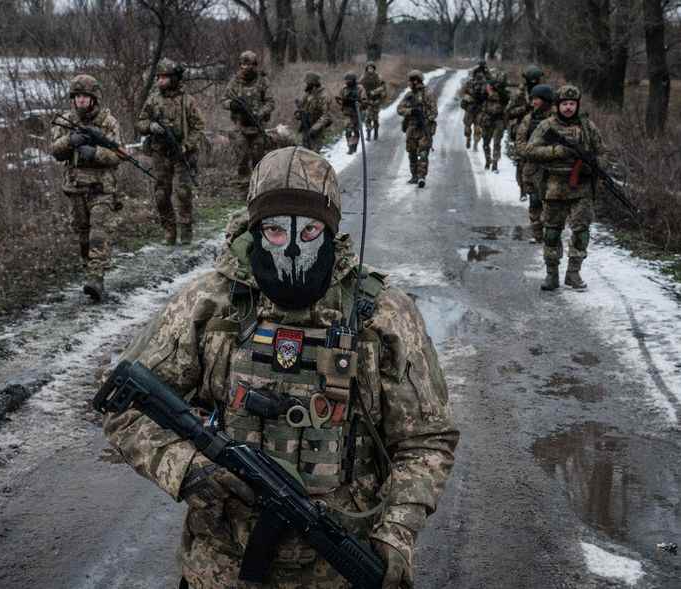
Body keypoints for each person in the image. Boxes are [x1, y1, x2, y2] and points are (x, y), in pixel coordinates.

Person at [104, 146, 458, 589]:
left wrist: (398, 530)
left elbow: (427, 438)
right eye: (273, 231)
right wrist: (190, 468)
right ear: (255, 228)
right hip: (221, 566)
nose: (291, 247)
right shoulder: (208, 304)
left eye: (309, 231)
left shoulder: (382, 315)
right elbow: (126, 409)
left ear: (330, 229)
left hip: (341, 565)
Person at [522, 85, 603, 291]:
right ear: (558, 105)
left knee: (581, 231)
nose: (568, 107)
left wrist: (590, 165)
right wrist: (557, 151)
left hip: (581, 188)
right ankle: (552, 274)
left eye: (572, 104)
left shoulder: (587, 127)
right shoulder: (547, 126)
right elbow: (529, 150)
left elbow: (602, 153)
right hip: (554, 186)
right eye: (564, 104)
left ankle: (573, 274)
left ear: (577, 105)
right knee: (551, 232)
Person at [50, 74, 123, 301]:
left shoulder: (108, 122)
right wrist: (70, 141)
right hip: (76, 187)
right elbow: (55, 150)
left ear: (94, 99)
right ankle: (89, 272)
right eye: (77, 97)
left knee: (98, 234)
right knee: (83, 236)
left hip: (102, 188)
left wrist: (96, 153)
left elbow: (118, 154)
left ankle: (96, 279)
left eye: (85, 97)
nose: (81, 101)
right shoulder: (65, 120)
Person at [137, 58, 205, 245]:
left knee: (183, 193)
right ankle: (169, 231)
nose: (160, 81)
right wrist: (151, 126)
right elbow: (141, 122)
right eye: (158, 77)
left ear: (174, 78)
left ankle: (186, 232)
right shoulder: (153, 99)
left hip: (182, 153)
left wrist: (187, 145)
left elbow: (198, 127)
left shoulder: (187, 101)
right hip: (160, 153)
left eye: (164, 77)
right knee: (161, 194)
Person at [222, 50, 275, 188]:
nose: (246, 68)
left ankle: (259, 185)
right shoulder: (235, 82)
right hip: (240, 126)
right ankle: (243, 185)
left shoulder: (262, 81)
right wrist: (232, 105)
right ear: (240, 65)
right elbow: (224, 101)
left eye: (250, 65)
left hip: (257, 126)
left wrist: (260, 113)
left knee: (258, 156)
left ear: (255, 65)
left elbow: (270, 102)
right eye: (244, 65)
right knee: (242, 156)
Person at [514, 84, 555, 244]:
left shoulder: (556, 119)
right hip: (532, 167)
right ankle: (538, 235)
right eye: (532, 99)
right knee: (535, 201)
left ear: (545, 101)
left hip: (552, 168)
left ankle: (550, 232)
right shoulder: (528, 119)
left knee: (550, 202)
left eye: (536, 99)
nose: (533, 102)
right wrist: (531, 153)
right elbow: (520, 141)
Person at [506, 65, 546, 194]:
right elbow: (509, 112)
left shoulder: (544, 91)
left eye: (537, 79)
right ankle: (524, 188)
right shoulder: (519, 93)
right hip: (523, 130)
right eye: (532, 79)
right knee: (522, 162)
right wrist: (525, 108)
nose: (535, 82)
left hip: (541, 130)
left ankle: (535, 191)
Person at [397, 70, 438, 187]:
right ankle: (414, 176)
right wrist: (411, 111)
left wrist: (426, 119)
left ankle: (421, 176)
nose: (409, 83)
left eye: (410, 81)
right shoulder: (409, 96)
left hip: (424, 128)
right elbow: (399, 109)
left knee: (423, 153)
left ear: (415, 81)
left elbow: (434, 112)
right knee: (412, 153)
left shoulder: (428, 94)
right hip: (411, 128)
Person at [294, 71, 333, 152]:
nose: (306, 85)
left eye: (307, 83)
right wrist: (298, 114)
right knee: (304, 152)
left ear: (313, 84)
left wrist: (314, 129)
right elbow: (302, 109)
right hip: (305, 128)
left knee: (314, 155)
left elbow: (326, 115)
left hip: (316, 129)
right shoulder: (307, 94)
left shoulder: (324, 96)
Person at [479, 75, 510, 172]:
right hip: (487, 121)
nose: (486, 87)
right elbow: (478, 98)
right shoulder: (484, 94)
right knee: (485, 143)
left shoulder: (502, 94)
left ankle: (495, 163)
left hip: (498, 121)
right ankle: (488, 161)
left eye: (488, 85)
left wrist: (497, 89)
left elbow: (506, 98)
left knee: (497, 143)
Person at [335, 71, 367, 154]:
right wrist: (344, 101)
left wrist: (358, 103)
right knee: (348, 129)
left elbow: (364, 100)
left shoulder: (360, 88)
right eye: (346, 80)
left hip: (357, 113)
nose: (347, 82)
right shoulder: (344, 89)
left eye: (349, 80)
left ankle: (355, 145)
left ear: (353, 80)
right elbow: (339, 99)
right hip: (347, 113)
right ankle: (350, 146)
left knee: (356, 130)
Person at [460, 60, 489, 150]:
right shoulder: (470, 82)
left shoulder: (485, 83)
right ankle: (469, 138)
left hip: (479, 108)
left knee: (478, 127)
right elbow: (463, 92)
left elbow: (489, 94)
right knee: (468, 127)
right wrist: (467, 97)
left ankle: (475, 142)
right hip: (471, 107)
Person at [360, 61, 388, 141]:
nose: (370, 69)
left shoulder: (379, 76)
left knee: (375, 118)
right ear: (366, 69)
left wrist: (375, 92)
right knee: (367, 118)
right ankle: (368, 133)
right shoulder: (363, 77)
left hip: (376, 100)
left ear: (374, 68)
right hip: (367, 100)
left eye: (371, 68)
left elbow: (383, 87)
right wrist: (363, 95)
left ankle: (376, 132)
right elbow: (359, 86)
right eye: (369, 68)